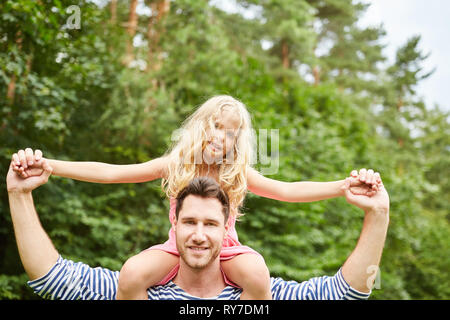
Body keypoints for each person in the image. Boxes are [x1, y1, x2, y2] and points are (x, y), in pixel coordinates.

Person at [11, 95, 381, 300]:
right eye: (217, 127)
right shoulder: (176, 164)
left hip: (228, 253)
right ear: (201, 127)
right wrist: (53, 166)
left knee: (257, 274)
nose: (223, 136)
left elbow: (287, 191)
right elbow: (114, 172)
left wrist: (341, 186)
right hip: (178, 251)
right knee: (133, 274)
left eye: (232, 132)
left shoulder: (236, 173)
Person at [6, 159, 390, 300]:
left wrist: (378, 213)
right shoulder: (135, 286)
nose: (199, 234)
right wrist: (19, 194)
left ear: (228, 229)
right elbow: (50, 278)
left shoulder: (260, 291)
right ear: (174, 222)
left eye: (210, 223)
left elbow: (347, 291)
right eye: (190, 222)